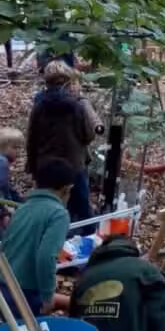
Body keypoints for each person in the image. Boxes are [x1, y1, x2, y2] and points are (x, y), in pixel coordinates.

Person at [0, 157, 77, 319]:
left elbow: (6, 244)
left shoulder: (23, 208)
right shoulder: (58, 214)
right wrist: (47, 296)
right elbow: (46, 257)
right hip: (23, 293)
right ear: (66, 189)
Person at [27, 60, 103, 223]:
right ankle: (84, 238)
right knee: (82, 209)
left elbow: (31, 138)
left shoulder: (39, 105)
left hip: (45, 167)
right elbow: (88, 135)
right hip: (74, 165)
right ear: (68, 81)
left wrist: (33, 167)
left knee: (48, 210)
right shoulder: (77, 105)